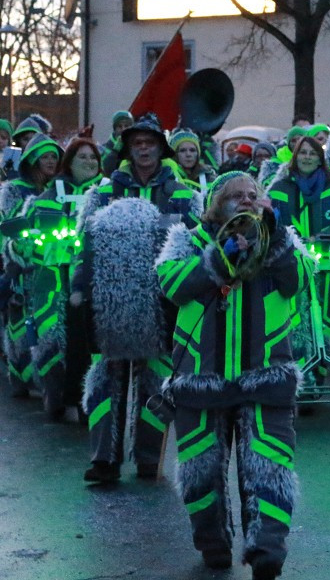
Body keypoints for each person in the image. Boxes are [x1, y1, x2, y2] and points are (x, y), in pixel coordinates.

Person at [156, 171, 304, 579]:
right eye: (235, 195)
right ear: (216, 202)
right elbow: (170, 283)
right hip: (201, 377)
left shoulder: (279, 238)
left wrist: (275, 241)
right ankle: (213, 543)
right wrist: (222, 256)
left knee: (269, 463)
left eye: (252, 194)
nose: (245, 200)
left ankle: (267, 548)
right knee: (201, 469)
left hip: (265, 374)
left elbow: (298, 283)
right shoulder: (187, 239)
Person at [71, 112, 198, 483]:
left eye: (150, 142)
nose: (144, 148)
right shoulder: (104, 192)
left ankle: (147, 459)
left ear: (162, 148)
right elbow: (86, 245)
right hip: (110, 304)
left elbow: (192, 246)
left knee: (157, 380)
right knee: (103, 380)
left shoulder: (183, 194)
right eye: (137, 143)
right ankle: (102, 460)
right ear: (128, 148)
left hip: (160, 303)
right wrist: (80, 287)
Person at [15, 138, 102, 419]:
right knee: (50, 341)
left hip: (93, 284)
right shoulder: (48, 196)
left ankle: (91, 403)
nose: (89, 162)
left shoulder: (108, 192)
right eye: (82, 157)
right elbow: (21, 238)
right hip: (51, 285)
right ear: (70, 163)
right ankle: (54, 395)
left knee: (92, 345)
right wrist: (23, 247)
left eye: (93, 158)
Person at [268, 136, 330, 387]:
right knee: (295, 324)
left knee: (325, 323)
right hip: (290, 266)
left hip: (326, 267)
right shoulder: (278, 189)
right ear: (295, 157)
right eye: (302, 153)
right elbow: (268, 224)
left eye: (312, 153)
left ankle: (318, 375)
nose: (307, 157)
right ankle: (299, 381)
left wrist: (325, 234)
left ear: (321, 158)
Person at [0, 132, 62, 398]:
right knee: (19, 317)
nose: (50, 161)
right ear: (33, 160)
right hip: (19, 262)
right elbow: (7, 225)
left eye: (54, 157)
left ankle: (48, 376)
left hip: (52, 262)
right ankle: (19, 372)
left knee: (47, 320)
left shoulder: (61, 188)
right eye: (45, 156)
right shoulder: (15, 189)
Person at [170, 129, 218, 194]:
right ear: (175, 155)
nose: (188, 154)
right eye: (182, 150)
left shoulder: (209, 175)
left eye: (192, 150)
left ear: (198, 154)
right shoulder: (168, 176)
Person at [99, 110, 133, 176]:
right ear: (115, 129)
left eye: (126, 126)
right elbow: (105, 171)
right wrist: (115, 151)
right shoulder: (104, 148)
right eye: (120, 126)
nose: (123, 129)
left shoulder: (138, 146)